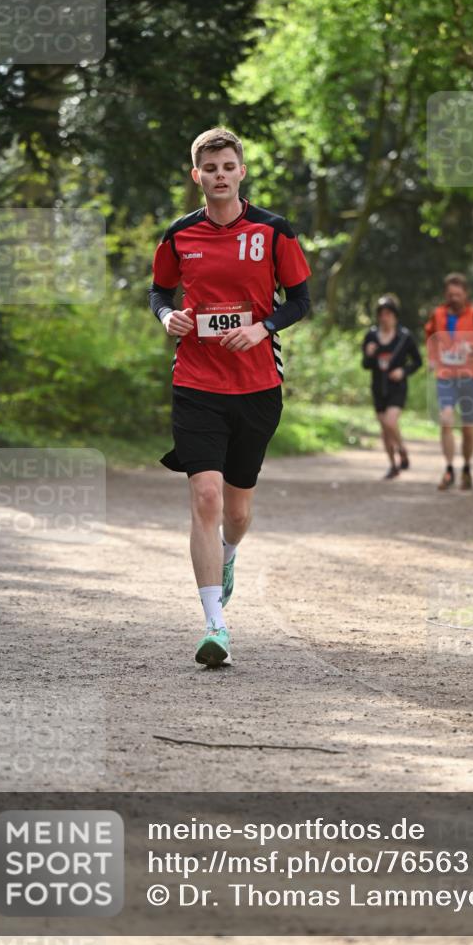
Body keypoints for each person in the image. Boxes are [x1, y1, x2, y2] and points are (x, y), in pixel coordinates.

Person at [149, 127, 311, 667]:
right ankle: (215, 624)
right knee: (207, 499)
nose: (219, 175)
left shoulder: (273, 230)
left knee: (237, 512)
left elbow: (301, 300)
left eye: (228, 167)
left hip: (257, 385)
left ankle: (229, 555)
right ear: (196, 176)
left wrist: (264, 327)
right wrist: (166, 315)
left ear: (241, 172)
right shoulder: (179, 235)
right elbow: (159, 292)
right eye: (209, 168)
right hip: (196, 382)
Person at [424, 273, 473, 491]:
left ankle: (466, 467)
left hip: (469, 377)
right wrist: (433, 359)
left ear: (465, 294)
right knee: (446, 419)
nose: (453, 298)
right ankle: (448, 469)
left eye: (458, 294)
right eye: (450, 294)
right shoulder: (438, 314)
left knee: (468, 428)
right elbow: (430, 338)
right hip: (445, 376)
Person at [362, 294, 422, 479]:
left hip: (397, 387)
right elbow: (365, 365)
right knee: (384, 429)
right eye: (381, 313)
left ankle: (402, 449)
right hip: (378, 387)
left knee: (390, 422)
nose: (384, 317)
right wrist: (369, 354)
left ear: (394, 315)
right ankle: (393, 465)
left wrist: (403, 372)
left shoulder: (404, 337)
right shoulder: (371, 336)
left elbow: (418, 362)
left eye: (388, 313)